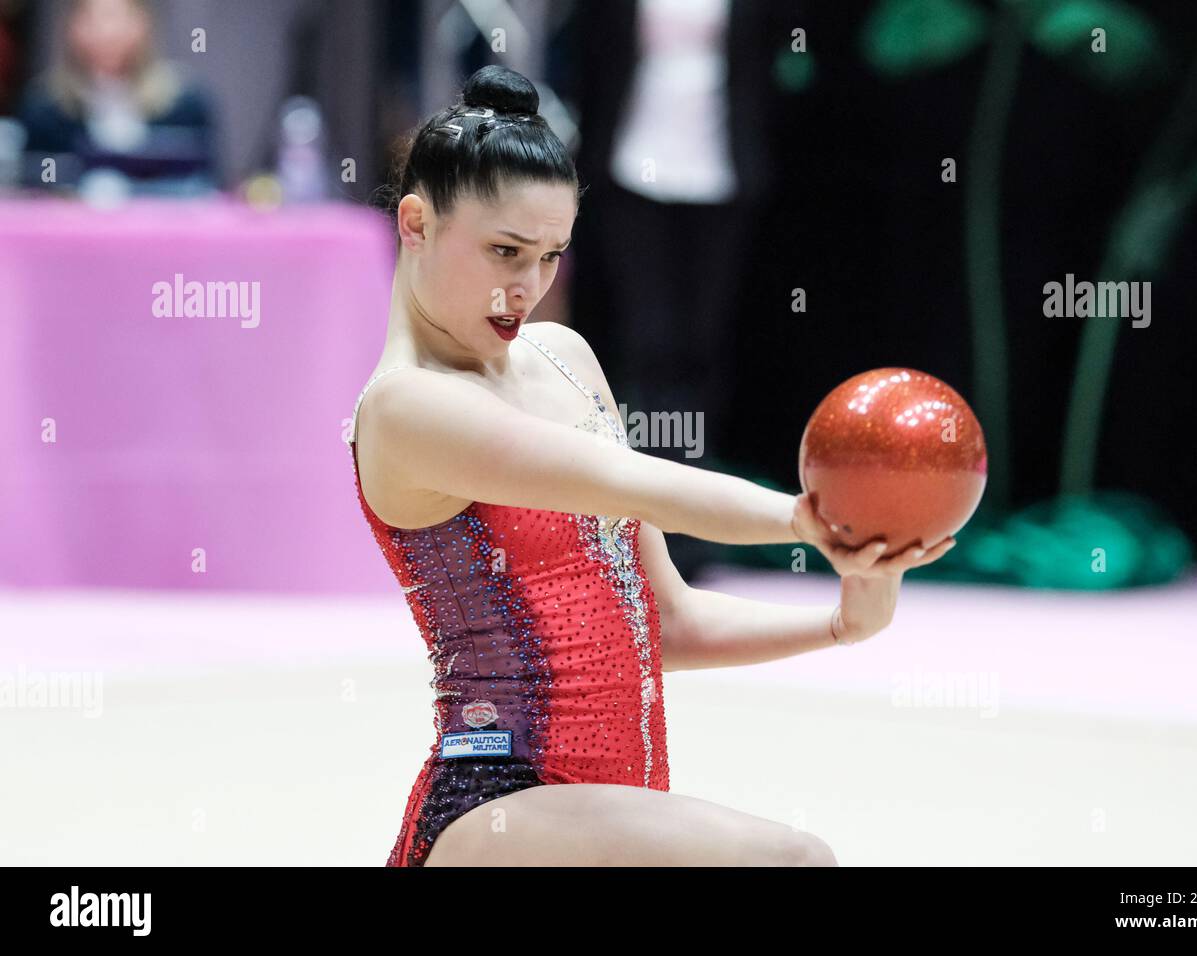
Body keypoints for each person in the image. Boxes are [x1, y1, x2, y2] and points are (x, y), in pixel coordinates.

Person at [349, 65, 954, 867]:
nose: (526, 287)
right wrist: (801, 519)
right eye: (505, 251)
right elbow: (632, 485)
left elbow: (662, 622)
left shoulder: (564, 359)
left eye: (551, 255)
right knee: (793, 861)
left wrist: (844, 622)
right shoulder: (407, 408)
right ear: (416, 222)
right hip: (501, 805)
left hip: (613, 805)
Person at [17, 0, 216, 192]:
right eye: (91, 18)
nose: (105, 32)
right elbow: (32, 189)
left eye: (115, 17)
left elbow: (208, 187)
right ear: (72, 26)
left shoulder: (185, 103)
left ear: (143, 23)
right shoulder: (45, 106)